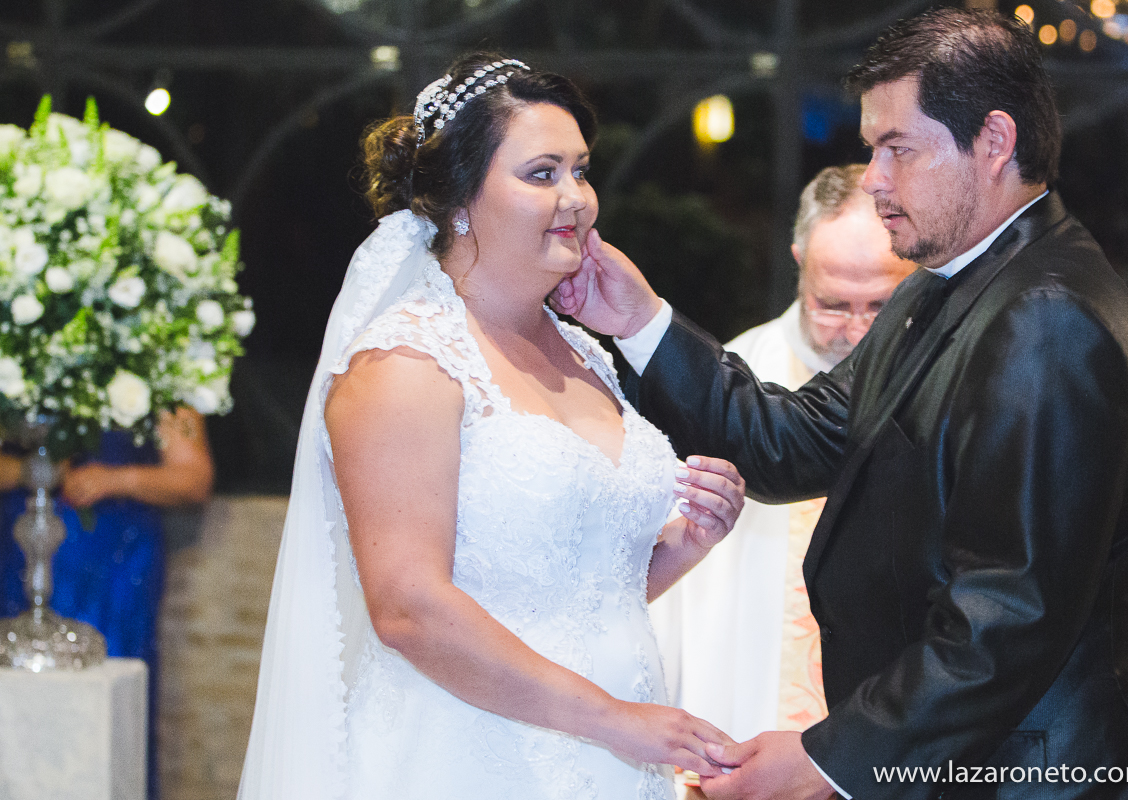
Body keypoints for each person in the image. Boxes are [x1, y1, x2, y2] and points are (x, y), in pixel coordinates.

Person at [553, 10, 1128, 799]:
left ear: (994, 143)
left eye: (898, 149)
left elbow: (1009, 615)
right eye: (871, 151)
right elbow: (792, 440)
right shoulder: (944, 285)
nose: (875, 180)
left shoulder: (1046, 317)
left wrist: (827, 759)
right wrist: (638, 319)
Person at [237, 53, 746, 799]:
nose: (576, 198)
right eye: (542, 174)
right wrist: (612, 719)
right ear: (460, 201)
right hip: (465, 754)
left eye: (580, 170)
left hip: (612, 758)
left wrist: (686, 543)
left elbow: (577, 589)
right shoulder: (405, 366)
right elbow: (409, 609)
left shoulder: (583, 352)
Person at [650, 164, 915, 746]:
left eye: (880, 305)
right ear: (800, 260)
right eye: (833, 304)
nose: (856, 332)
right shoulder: (738, 385)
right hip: (757, 697)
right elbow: (696, 590)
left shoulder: (936, 375)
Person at [0, 406, 214, 799]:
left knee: (108, 693)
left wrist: (116, 479)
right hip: (17, 551)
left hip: (115, 560)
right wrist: (31, 471)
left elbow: (193, 477)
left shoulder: (153, 359)